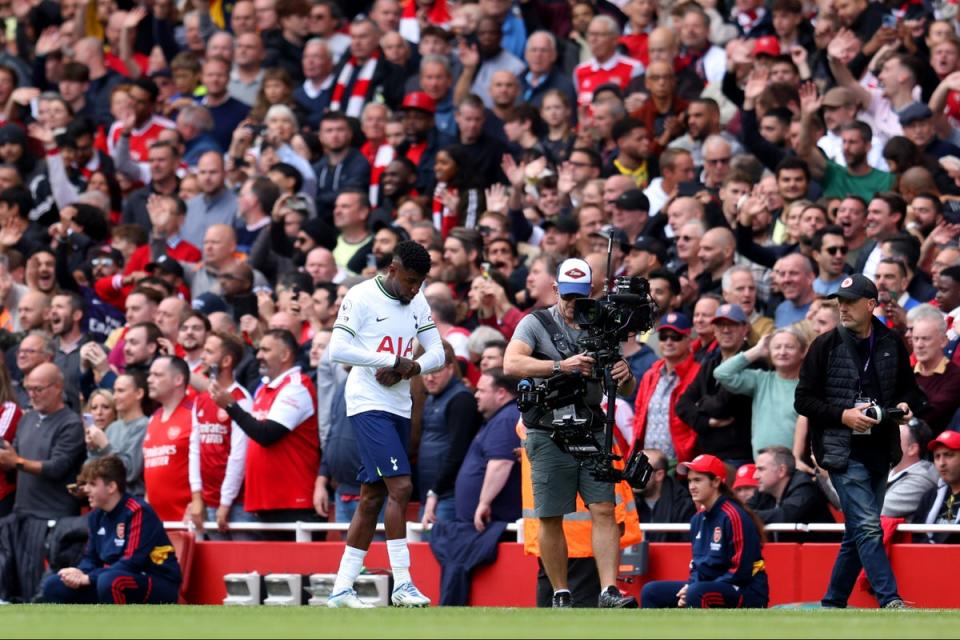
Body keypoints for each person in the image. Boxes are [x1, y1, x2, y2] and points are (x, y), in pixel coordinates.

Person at [503, 257, 638, 609]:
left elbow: (625, 389)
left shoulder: (602, 325)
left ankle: (608, 590)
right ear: (555, 289)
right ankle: (561, 592)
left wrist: (625, 373)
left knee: (604, 507)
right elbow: (511, 363)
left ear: (591, 292)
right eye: (567, 295)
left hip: (591, 424)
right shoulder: (535, 322)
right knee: (550, 514)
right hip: (547, 427)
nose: (573, 304)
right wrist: (560, 366)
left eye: (581, 296)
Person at [795, 274, 926, 609]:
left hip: (881, 449)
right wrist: (843, 415)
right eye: (839, 301)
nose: (842, 308)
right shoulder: (824, 345)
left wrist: (906, 405)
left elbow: (909, 389)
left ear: (871, 305)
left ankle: (833, 602)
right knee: (869, 527)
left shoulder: (892, 342)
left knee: (856, 533)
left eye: (850, 302)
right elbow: (803, 401)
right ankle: (890, 600)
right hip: (841, 450)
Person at [326, 241, 445, 608]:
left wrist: (411, 367)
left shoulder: (418, 299)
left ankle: (341, 588)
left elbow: (438, 352)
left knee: (372, 496)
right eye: (410, 281)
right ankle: (403, 582)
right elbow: (337, 349)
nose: (414, 289)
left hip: (400, 404)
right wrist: (392, 359)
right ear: (393, 270)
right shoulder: (361, 297)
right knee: (401, 486)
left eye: (420, 282)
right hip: (368, 403)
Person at [40, 455, 181, 604]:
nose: (86, 490)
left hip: (155, 581)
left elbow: (132, 562)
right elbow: (91, 558)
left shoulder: (137, 511)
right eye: (86, 484)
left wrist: (89, 578)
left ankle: (116, 626)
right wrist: (79, 572)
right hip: (112, 577)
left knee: (110, 582)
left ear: (112, 487)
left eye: (93, 484)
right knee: (54, 585)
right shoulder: (96, 516)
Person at [0, 363, 85, 603]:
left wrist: (15, 461)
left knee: (38, 587)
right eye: (28, 389)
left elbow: (56, 467)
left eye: (38, 389)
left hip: (52, 518)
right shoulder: (27, 420)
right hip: (21, 514)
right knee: (12, 586)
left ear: (58, 387)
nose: (31, 395)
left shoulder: (70, 423)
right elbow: (13, 455)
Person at [641, 454, 769, 609]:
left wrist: (696, 589)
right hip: (708, 587)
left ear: (715, 482)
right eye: (689, 481)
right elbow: (698, 567)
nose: (691, 486)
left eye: (698, 480)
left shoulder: (733, 516)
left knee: (697, 592)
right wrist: (689, 587)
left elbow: (740, 570)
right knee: (651, 591)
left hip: (746, 590)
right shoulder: (697, 519)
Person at [188, 332, 255, 539]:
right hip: (207, 502)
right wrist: (197, 497)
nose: (203, 357)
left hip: (237, 504)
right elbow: (194, 450)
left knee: (243, 569)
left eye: (209, 352)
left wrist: (225, 502)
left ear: (226, 361)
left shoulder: (241, 399)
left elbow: (239, 456)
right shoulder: (201, 399)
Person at [715, 329, 806, 459]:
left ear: (802, 352)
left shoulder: (809, 386)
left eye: (789, 347)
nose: (782, 352)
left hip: (795, 464)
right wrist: (757, 351)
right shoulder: (761, 380)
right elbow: (722, 373)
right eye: (777, 347)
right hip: (762, 464)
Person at [143, 356, 194, 523]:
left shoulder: (194, 413)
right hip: (157, 523)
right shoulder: (153, 418)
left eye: (158, 375)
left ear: (178, 379)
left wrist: (199, 502)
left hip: (188, 520)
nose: (150, 380)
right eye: (150, 375)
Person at [751, 445, 834, 539]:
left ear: (781, 470)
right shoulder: (764, 490)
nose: (755, 476)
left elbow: (785, 516)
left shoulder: (805, 487)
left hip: (821, 552)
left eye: (761, 469)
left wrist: (750, 514)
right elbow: (743, 510)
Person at [636, 449, 696, 543]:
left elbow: (685, 547)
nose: (633, 475)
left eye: (641, 471)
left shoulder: (683, 503)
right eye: (633, 468)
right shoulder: (625, 499)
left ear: (659, 475)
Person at [913, 430, 960, 544]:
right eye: (937, 457)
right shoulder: (929, 496)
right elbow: (917, 537)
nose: (941, 463)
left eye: (948, 455)